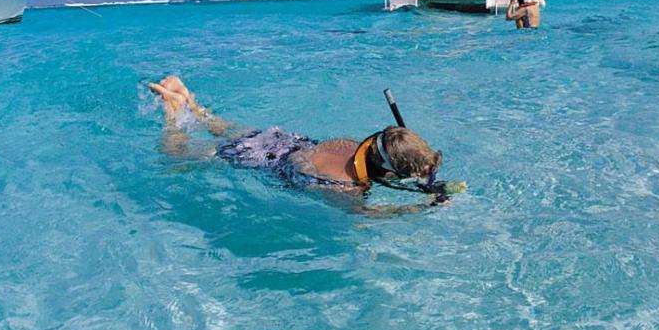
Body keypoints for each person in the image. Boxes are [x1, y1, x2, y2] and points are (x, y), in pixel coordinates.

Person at [147, 76, 454, 209]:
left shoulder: (348, 144)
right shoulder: (347, 189)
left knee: (228, 129)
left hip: (279, 140)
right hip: (265, 160)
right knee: (174, 157)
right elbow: (368, 218)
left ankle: (189, 100)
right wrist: (421, 208)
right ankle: (173, 111)